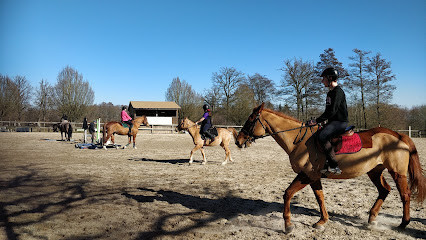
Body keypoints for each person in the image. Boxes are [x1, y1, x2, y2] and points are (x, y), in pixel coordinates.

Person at [306, 67, 348, 175]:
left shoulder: (338, 92)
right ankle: (323, 163)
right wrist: (322, 121)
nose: (322, 81)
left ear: (330, 78)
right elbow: (328, 111)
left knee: (322, 136)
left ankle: (334, 165)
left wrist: (317, 121)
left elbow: (332, 111)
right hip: (333, 122)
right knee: (317, 134)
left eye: (323, 78)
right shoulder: (330, 93)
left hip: (340, 122)